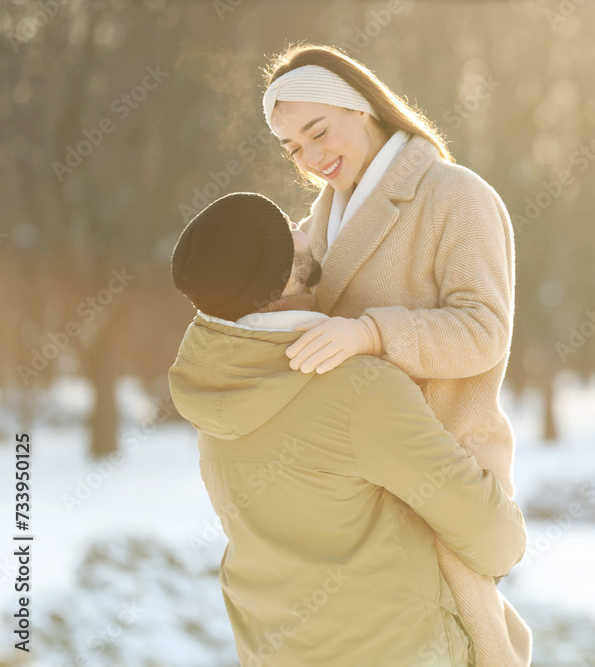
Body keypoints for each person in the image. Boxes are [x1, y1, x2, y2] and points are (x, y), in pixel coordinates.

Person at [167, 192, 526, 666]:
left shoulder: (215, 389)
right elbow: (495, 539)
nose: (301, 228)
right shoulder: (357, 389)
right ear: (280, 274)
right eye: (286, 231)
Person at [260, 44, 530, 665]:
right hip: (350, 495)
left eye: (318, 131)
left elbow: (484, 330)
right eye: (293, 147)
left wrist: (372, 332)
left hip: (439, 476)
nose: (311, 156)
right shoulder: (320, 224)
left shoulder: (456, 197)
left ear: (361, 108)